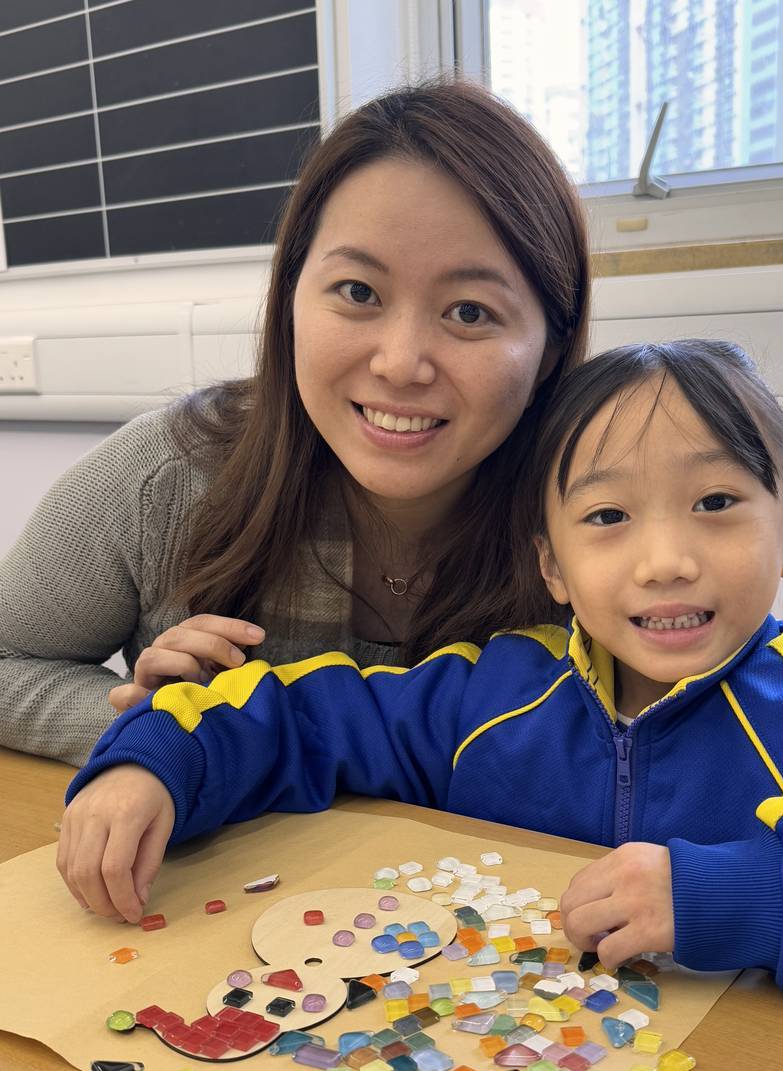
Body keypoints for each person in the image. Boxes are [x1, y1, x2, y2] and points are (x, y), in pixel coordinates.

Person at [59, 340, 783, 1020]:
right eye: (607, 516)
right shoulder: (489, 692)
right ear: (553, 566)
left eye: (716, 503)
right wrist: (154, 762)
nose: (666, 561)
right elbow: (305, 714)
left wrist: (740, 894)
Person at [0, 79, 589, 766]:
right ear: (290, 298)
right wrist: (164, 732)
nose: (401, 364)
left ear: (550, 349)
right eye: (358, 292)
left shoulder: (610, 510)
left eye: (469, 312)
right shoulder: (166, 475)